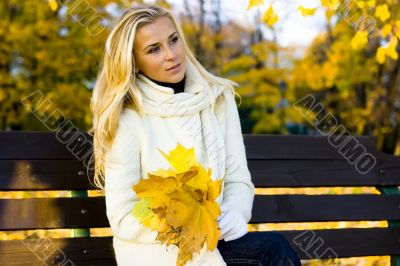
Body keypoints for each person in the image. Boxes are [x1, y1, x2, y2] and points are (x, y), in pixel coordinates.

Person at [89, 4, 301, 266]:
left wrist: (235, 213)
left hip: (217, 242)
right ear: (134, 63)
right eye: (154, 49)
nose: (171, 54)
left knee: (272, 248)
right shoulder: (128, 117)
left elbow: (238, 180)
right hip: (159, 253)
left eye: (173, 40)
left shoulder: (218, 99)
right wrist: (183, 219)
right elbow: (123, 217)